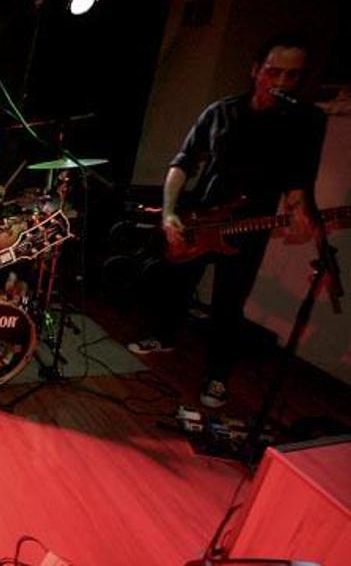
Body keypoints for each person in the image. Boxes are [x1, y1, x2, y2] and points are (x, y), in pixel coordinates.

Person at [127, 34, 325, 408]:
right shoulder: (221, 112)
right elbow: (182, 163)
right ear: (255, 70)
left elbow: (298, 183)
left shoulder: (305, 122)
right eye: (273, 72)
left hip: (249, 228)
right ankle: (164, 336)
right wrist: (169, 212)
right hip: (202, 216)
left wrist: (301, 213)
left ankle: (217, 376)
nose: (282, 82)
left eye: (292, 76)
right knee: (177, 282)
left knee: (229, 303)